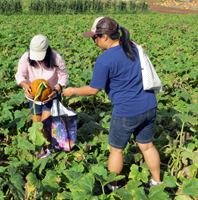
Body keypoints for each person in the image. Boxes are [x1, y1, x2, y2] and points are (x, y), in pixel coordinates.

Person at [63, 17, 163, 191]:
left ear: (105, 37)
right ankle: (157, 182)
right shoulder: (132, 47)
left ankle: (113, 186)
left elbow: (93, 90)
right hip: (149, 106)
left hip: (126, 111)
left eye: (95, 37)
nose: (94, 41)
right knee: (147, 146)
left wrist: (72, 91)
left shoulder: (105, 60)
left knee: (116, 150)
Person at [15, 34, 69, 159]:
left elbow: (64, 76)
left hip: (51, 95)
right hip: (34, 97)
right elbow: (19, 75)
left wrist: (56, 91)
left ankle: (50, 150)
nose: (38, 60)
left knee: (45, 124)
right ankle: (40, 149)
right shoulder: (26, 57)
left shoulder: (56, 58)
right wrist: (24, 85)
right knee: (37, 126)